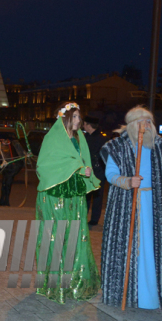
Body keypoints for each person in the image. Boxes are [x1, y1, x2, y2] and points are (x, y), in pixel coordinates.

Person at [100, 107, 162, 309]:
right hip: (125, 206)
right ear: (132, 125)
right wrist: (127, 181)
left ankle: (151, 295)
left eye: (149, 122)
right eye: (142, 123)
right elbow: (110, 174)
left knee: (152, 249)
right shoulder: (116, 146)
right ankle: (126, 294)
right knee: (128, 249)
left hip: (154, 206)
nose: (146, 127)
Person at [35, 102, 101, 304]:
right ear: (65, 117)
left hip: (75, 195)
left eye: (79, 117)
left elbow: (84, 160)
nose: (78, 121)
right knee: (56, 236)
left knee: (76, 235)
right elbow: (44, 165)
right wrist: (78, 166)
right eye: (74, 117)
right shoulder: (53, 137)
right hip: (55, 195)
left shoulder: (80, 138)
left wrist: (86, 169)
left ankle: (75, 279)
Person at [82, 116, 107, 226]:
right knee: (86, 195)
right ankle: (84, 216)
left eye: (84, 124)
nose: (83, 126)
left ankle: (94, 219)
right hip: (87, 170)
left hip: (98, 171)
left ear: (88, 125)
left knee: (97, 196)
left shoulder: (100, 138)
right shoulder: (86, 136)